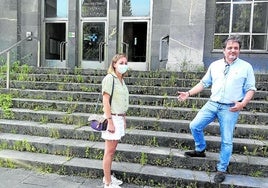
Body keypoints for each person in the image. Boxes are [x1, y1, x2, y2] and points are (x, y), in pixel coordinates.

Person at [177, 35, 256, 184]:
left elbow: (251, 89)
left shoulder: (246, 67)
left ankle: (222, 168)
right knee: (194, 125)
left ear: (239, 50)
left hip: (230, 107)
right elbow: (204, 83)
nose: (233, 51)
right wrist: (188, 93)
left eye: (236, 48)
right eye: (230, 48)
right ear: (224, 50)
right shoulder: (215, 65)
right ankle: (200, 150)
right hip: (212, 103)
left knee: (227, 140)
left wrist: (242, 103)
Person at [101, 53, 129, 188]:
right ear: (114, 64)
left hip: (119, 117)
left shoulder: (121, 80)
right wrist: (110, 121)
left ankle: (108, 176)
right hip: (112, 118)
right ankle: (107, 182)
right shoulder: (110, 79)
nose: (124, 66)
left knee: (112, 151)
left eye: (125, 63)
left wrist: (124, 118)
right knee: (109, 152)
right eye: (121, 63)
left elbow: (121, 102)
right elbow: (106, 101)